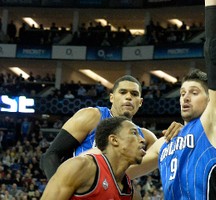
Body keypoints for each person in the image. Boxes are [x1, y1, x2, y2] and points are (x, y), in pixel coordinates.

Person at [127, 0, 216, 199]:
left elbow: (215, 53)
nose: (185, 97)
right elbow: (123, 172)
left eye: (194, 92)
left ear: (209, 99)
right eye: (183, 93)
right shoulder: (165, 141)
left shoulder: (215, 122)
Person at [40, 75, 182, 179]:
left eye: (134, 94)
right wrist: (61, 191)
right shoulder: (91, 116)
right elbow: (50, 156)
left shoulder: (146, 137)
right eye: (123, 92)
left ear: (140, 102)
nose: (128, 97)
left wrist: (182, 133)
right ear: (112, 98)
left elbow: (171, 160)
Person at [40, 116, 146, 200]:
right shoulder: (80, 167)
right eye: (134, 133)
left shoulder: (132, 194)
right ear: (114, 140)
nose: (142, 140)